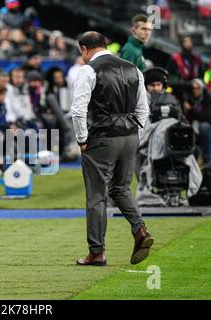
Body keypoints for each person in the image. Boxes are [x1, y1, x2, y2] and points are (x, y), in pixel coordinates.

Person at [71, 31, 152, 266]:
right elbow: (143, 108)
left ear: (84, 49)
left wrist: (81, 139)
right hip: (129, 136)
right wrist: (135, 135)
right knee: (121, 189)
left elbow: (78, 110)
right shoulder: (133, 69)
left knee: (97, 195)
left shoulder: (88, 70)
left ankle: (96, 252)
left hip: (102, 138)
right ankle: (140, 230)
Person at [182, 79, 211, 163]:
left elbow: (208, 117)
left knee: (204, 127)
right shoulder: (187, 100)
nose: (195, 90)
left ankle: (207, 158)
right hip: (192, 129)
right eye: (193, 88)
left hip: (210, 131)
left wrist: (191, 109)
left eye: (197, 88)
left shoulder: (208, 100)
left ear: (202, 88)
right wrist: (185, 109)